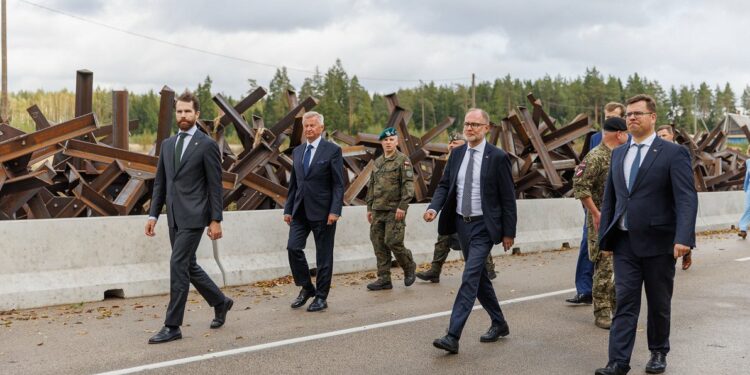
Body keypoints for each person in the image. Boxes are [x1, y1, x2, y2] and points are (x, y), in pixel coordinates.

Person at [595, 95, 697, 375]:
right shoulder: (619, 153)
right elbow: (610, 200)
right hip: (625, 241)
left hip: (660, 241)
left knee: (659, 302)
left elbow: (686, 198)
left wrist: (684, 238)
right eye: (628, 114)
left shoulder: (672, 153)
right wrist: (605, 239)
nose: (631, 118)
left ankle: (658, 352)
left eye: (638, 113)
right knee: (625, 300)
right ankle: (618, 361)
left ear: (653, 117)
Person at [425, 108, 517, 354]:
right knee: (479, 279)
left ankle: (452, 336)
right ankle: (499, 322)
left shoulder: (497, 157)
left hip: (484, 226)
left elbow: (508, 198)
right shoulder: (457, 154)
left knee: (469, 276)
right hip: (460, 224)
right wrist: (434, 208)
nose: (470, 128)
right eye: (467, 124)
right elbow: (445, 185)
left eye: (476, 124)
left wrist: (509, 232)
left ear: (487, 128)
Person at [144, 91, 233, 344]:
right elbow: (160, 182)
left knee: (177, 264)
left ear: (197, 114)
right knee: (188, 265)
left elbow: (215, 185)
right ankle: (220, 301)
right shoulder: (168, 145)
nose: (183, 116)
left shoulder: (206, 145)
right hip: (173, 216)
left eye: (188, 111)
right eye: (180, 111)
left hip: (195, 216)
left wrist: (216, 219)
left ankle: (172, 326)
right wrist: (154, 215)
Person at [284, 111, 344, 312]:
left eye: (312, 126)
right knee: (293, 248)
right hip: (300, 211)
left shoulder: (332, 151)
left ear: (321, 128)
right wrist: (288, 209)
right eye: (306, 126)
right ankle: (307, 287)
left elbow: (338, 184)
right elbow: (294, 184)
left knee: (323, 257)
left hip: (324, 212)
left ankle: (321, 297)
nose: (308, 129)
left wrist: (335, 210)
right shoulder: (298, 151)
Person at [416, 132, 496, 283]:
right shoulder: (449, 161)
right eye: (450, 144)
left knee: (476, 240)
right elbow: (443, 186)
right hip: (452, 210)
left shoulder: (475, 160)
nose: (452, 146)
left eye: (456, 143)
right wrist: (433, 208)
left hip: (472, 211)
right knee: (443, 239)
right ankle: (435, 270)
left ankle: (488, 269)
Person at [573, 117, 629, 329]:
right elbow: (580, 186)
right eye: (626, 132)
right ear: (618, 133)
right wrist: (596, 213)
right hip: (601, 221)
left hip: (619, 219)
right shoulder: (596, 156)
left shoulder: (619, 155)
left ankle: (616, 306)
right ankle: (602, 311)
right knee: (604, 266)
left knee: (621, 267)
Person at [567, 101, 625, 305]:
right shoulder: (595, 141)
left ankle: (615, 302)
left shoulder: (626, 144)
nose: (607, 121)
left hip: (618, 212)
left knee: (614, 259)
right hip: (597, 209)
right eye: (606, 118)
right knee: (591, 248)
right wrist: (592, 209)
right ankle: (586, 291)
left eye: (612, 118)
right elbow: (585, 171)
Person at [365, 127, 417, 290]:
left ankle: (409, 266)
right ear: (381, 142)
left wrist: (403, 206)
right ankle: (384, 279)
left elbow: (408, 185)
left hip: (395, 209)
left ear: (396, 142)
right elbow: (372, 186)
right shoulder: (378, 162)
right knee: (378, 243)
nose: (388, 142)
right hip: (378, 209)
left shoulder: (403, 160)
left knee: (393, 241)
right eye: (385, 140)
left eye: (391, 140)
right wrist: (369, 207)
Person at [655, 124, 693, 271]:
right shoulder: (654, 151)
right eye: (659, 136)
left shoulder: (680, 151)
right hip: (663, 199)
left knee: (682, 225)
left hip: (678, 196)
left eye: (664, 135)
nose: (661, 138)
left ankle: (687, 251)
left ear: (672, 136)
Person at [739, 158, 750, 240]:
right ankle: (743, 229)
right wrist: (745, 187)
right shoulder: (748, 161)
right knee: (748, 208)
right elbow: (747, 175)